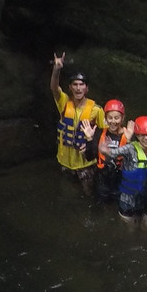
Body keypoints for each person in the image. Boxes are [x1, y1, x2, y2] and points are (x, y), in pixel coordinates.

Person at [50, 52, 106, 196]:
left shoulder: (96, 110)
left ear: (86, 88)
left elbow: (106, 133)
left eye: (81, 85)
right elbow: (54, 88)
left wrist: (92, 143)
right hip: (65, 162)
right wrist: (57, 69)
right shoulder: (63, 103)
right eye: (75, 85)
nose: (78, 88)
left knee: (89, 195)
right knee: (68, 194)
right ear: (70, 87)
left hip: (85, 165)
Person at [98, 115, 147, 231]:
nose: (146, 138)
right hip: (129, 200)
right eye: (142, 135)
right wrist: (104, 150)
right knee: (129, 234)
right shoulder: (129, 149)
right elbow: (113, 153)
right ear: (137, 135)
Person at [82, 99, 135, 203]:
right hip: (102, 180)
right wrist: (89, 139)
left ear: (122, 118)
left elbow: (133, 162)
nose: (113, 121)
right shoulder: (99, 133)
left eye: (117, 118)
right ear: (105, 119)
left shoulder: (127, 134)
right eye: (110, 118)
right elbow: (89, 157)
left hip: (120, 180)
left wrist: (129, 140)